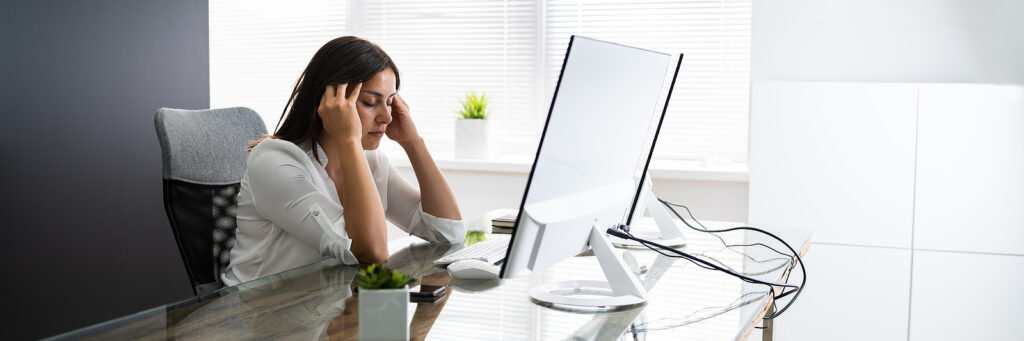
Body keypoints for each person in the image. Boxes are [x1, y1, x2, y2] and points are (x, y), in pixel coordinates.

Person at [222, 36, 466, 286]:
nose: (386, 117)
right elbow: (372, 252)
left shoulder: (372, 162)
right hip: (258, 314)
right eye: (370, 102)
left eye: (390, 103)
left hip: (327, 307)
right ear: (330, 101)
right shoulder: (274, 160)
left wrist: (413, 142)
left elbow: (449, 234)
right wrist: (348, 139)